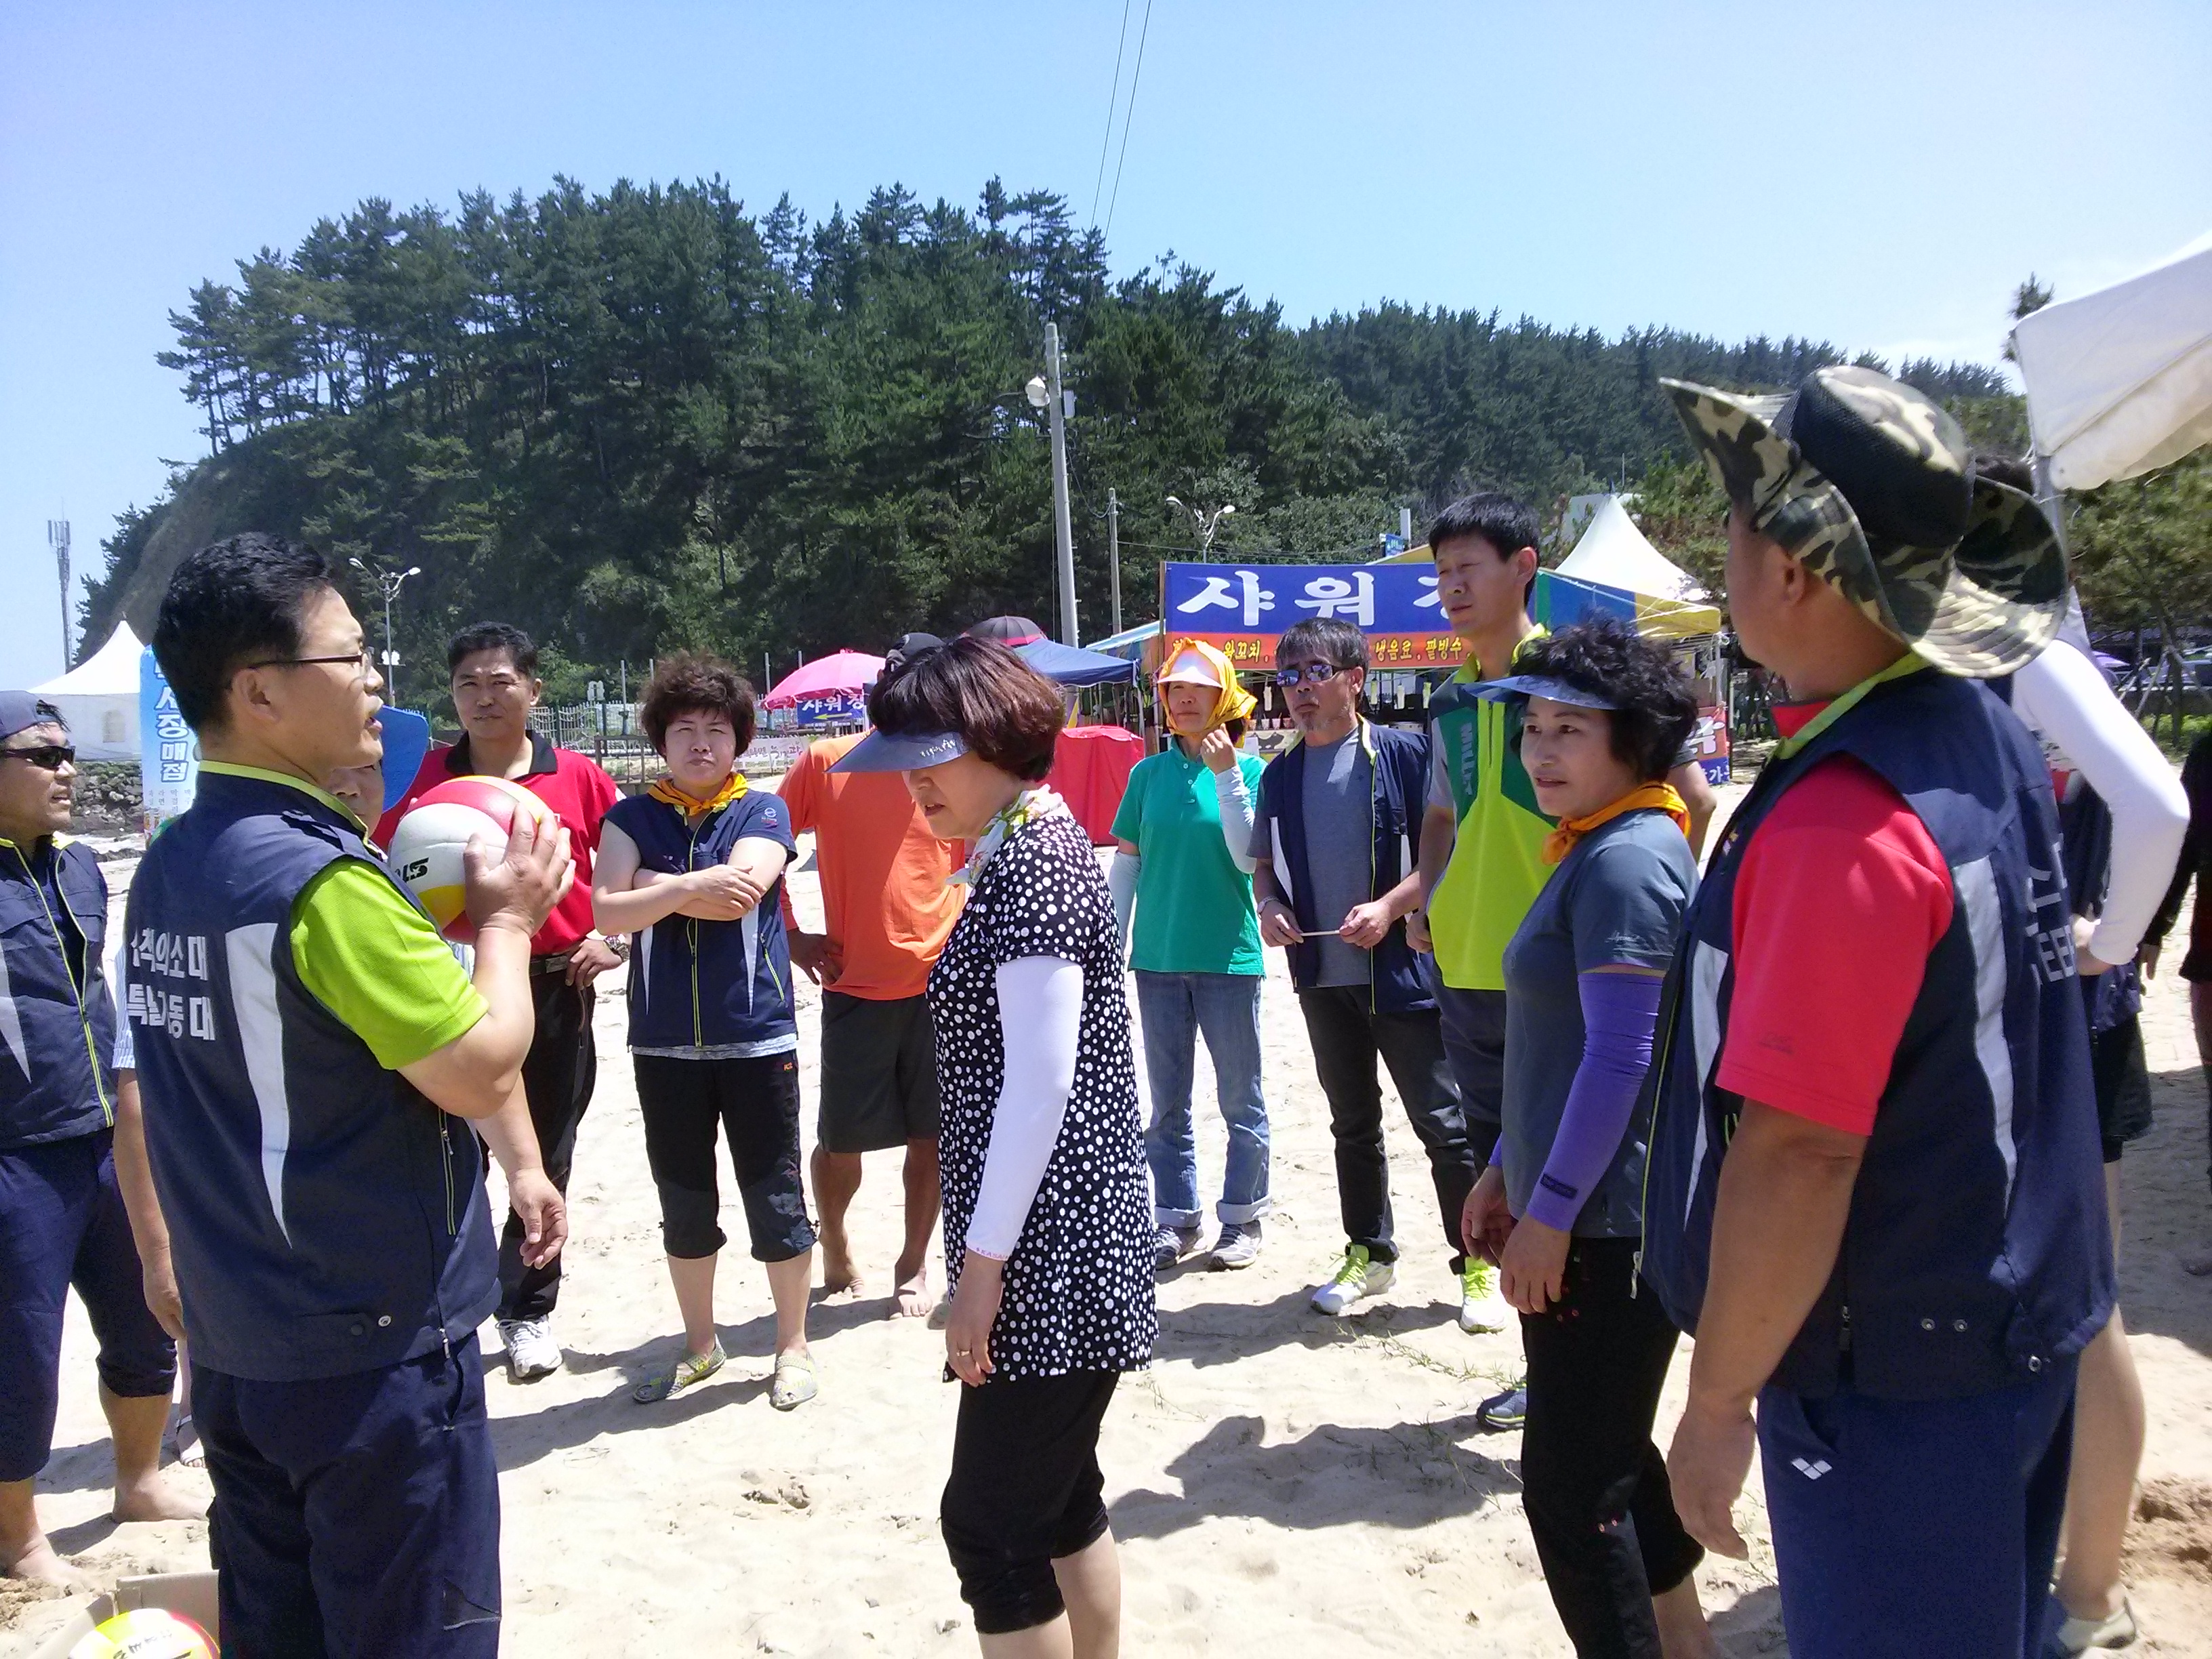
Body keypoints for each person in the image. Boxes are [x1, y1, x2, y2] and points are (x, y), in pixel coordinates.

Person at [1639, 369, 2109, 1658]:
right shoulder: (1971, 727)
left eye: (1736, 525)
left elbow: (1800, 1151)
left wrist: (1717, 1400)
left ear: (1793, 567)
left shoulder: (1844, 821)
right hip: (2010, 1314)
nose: (1721, 551)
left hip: (1892, 1366)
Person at [125, 533, 571, 1655]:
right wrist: (510, 922)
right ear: (259, 692)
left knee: (283, 1628)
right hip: (369, 1351)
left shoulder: (173, 861)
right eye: (352, 657)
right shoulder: (322, 880)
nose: (376, 680)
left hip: (239, 1340)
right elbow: (481, 1064)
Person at [834, 636, 1155, 1658]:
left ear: (996, 742)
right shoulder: (1022, 849)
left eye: (932, 758)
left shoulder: (1035, 869)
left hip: (1053, 1250)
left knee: (989, 1528)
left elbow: (1041, 1088)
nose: (915, 783)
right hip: (1054, 1238)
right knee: (1059, 1500)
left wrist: (981, 1271)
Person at [1413, 493, 1718, 1404]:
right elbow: (1442, 817)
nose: (1452, 587)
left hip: (1570, 975)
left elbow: (1692, 800)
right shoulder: (1456, 698)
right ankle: (1541, 1369)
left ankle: (1561, 1381)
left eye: (1468, 568)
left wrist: (1635, 912)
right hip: (1474, 964)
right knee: (1508, 1170)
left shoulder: (1579, 674)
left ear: (1525, 568)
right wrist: (1429, 900)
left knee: (1580, 1185)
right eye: (1440, 572)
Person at [1458, 623, 1716, 1659]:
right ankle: (1690, 1644)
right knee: (1612, 1456)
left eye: (1571, 729)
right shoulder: (1600, 844)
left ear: (1635, 741)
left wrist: (1551, 1214)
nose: (1542, 751)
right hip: (1579, 1206)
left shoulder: (1626, 859)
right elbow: (1566, 1050)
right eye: (1533, 728)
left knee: (1572, 1497)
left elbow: (1621, 1060)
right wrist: (1503, 1170)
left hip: (1608, 1228)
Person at [1983, 539, 2188, 1654]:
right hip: (2033, 1024)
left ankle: (2092, 1587)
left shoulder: (2021, 655)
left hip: (2053, 1029)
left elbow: (2158, 809)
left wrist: (2105, 944)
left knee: (2083, 1303)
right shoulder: (2020, 656)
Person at [375, 623, 622, 1383]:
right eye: (468, 685)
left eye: (500, 682)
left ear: (534, 690)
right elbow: (381, 865)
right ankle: (447, 1306)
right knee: (446, 1153)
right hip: (443, 986)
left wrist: (615, 940)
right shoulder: (419, 780)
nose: (483, 698)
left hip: (554, 986)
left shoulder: (579, 776)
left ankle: (527, 1310)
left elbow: (628, 867)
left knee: (543, 1152)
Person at [0, 695, 199, 1586]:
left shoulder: (82, 868)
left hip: (109, 1140)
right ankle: (17, 1537)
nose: (67, 770)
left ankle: (138, 1481)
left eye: (69, 752)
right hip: (16, 1154)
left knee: (147, 1318)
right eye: (42, 756)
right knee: (22, 1354)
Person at [1244, 619, 1488, 1327]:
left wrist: (1390, 907)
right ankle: (1369, 1253)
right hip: (1322, 975)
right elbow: (1264, 869)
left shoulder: (1405, 753)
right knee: (1352, 1124)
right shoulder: (1281, 774)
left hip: (1403, 972)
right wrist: (1269, 907)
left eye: (1315, 672)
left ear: (1356, 679)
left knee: (1443, 1123)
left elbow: (1448, 850)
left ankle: (1477, 1262)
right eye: (1289, 676)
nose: (1300, 689)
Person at [594, 655, 819, 1411]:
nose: (700, 744)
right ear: (660, 739)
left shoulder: (763, 812)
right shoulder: (630, 817)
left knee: (776, 1196)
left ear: (739, 740)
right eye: (684, 729)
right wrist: (690, 884)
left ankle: (792, 1347)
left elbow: (742, 894)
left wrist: (648, 887)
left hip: (755, 1038)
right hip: (662, 1045)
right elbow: (605, 910)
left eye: (716, 730)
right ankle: (700, 1345)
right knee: (684, 1203)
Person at [779, 634, 960, 1317]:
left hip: (941, 983)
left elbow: (982, 855)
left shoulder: (959, 762)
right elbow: (762, 840)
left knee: (932, 1138)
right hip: (854, 984)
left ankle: (914, 1262)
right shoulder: (829, 761)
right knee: (841, 1144)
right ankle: (834, 1238)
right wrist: (792, 934)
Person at [1111, 638, 1271, 1271]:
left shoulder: (1251, 773)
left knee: (1241, 1100)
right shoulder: (1146, 775)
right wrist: (1108, 942)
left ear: (1224, 697)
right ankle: (1175, 1218)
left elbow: (1247, 859)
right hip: (1156, 960)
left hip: (1229, 959)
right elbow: (1128, 863)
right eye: (1174, 689)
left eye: (1197, 690)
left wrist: (1227, 775)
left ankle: (1243, 1217)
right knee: (1167, 1103)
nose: (1182, 700)